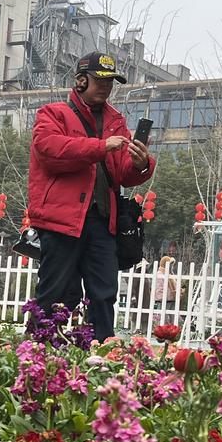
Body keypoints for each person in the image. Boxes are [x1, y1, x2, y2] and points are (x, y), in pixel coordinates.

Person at [27, 51, 154, 341]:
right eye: (100, 80)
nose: (106, 87)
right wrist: (100, 146)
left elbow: (123, 174)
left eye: (110, 82)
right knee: (55, 291)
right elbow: (49, 150)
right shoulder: (53, 113)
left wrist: (141, 163)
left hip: (102, 220)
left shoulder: (115, 120)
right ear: (81, 80)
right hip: (62, 220)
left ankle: (103, 351)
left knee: (104, 292)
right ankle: (37, 351)